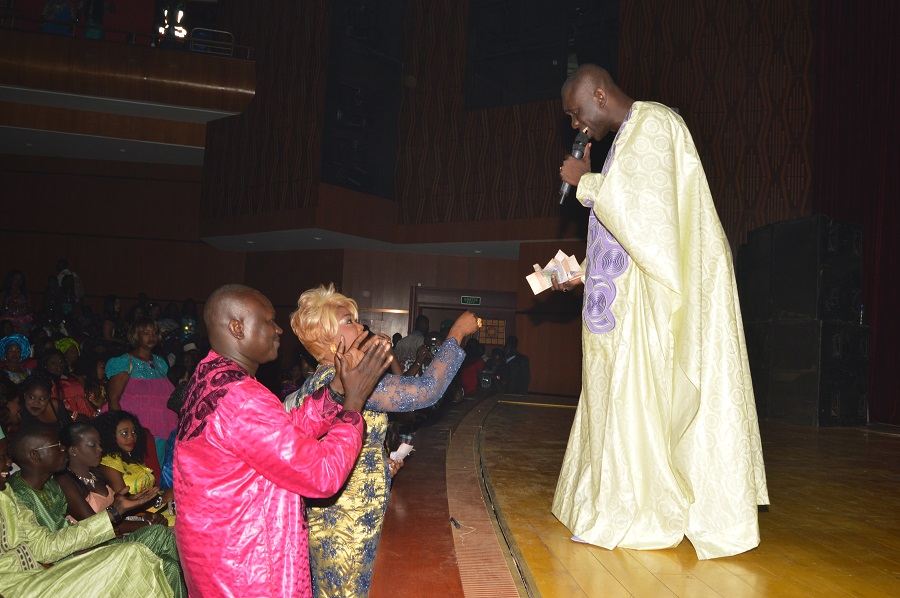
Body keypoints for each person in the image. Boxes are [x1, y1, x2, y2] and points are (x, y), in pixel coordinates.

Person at [551, 64, 769, 559]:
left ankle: (639, 510)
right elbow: (625, 238)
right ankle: (610, 503)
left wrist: (587, 184)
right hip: (617, 316)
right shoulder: (626, 141)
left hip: (646, 319)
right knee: (613, 405)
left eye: (574, 113)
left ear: (599, 94)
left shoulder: (656, 125)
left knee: (639, 404)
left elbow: (652, 228)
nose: (574, 126)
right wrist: (583, 274)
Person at [173, 283, 393, 597]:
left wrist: (337, 392)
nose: (278, 329)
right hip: (248, 567)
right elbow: (321, 476)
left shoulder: (211, 375)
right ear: (238, 327)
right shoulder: (244, 398)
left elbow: (278, 434)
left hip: (215, 554)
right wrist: (354, 405)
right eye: (268, 320)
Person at [287, 284, 478, 597]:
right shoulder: (349, 382)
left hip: (349, 515)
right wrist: (456, 334)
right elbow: (427, 391)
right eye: (349, 321)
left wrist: (376, 464)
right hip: (348, 527)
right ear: (327, 339)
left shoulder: (323, 380)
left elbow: (336, 447)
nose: (361, 326)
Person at [0, 427, 174, 597]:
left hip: (58, 562)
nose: (9, 463)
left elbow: (42, 545)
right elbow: (47, 550)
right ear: (35, 455)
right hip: (41, 575)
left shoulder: (9, 494)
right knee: (132, 554)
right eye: (2, 457)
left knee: (162, 550)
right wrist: (114, 515)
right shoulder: (20, 491)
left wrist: (124, 514)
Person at [56, 422, 187, 597]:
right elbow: (95, 525)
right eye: (92, 445)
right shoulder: (65, 482)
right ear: (73, 451)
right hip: (95, 549)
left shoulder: (95, 475)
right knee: (167, 564)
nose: (100, 449)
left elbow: (116, 517)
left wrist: (144, 519)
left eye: (99, 444)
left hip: (112, 539)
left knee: (161, 534)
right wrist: (124, 511)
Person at [105, 316, 177, 440]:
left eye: (154, 333)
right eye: (146, 333)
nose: (152, 337)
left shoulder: (160, 363)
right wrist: (124, 431)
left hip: (164, 428)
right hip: (136, 431)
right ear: (136, 335)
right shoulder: (125, 362)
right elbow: (113, 399)